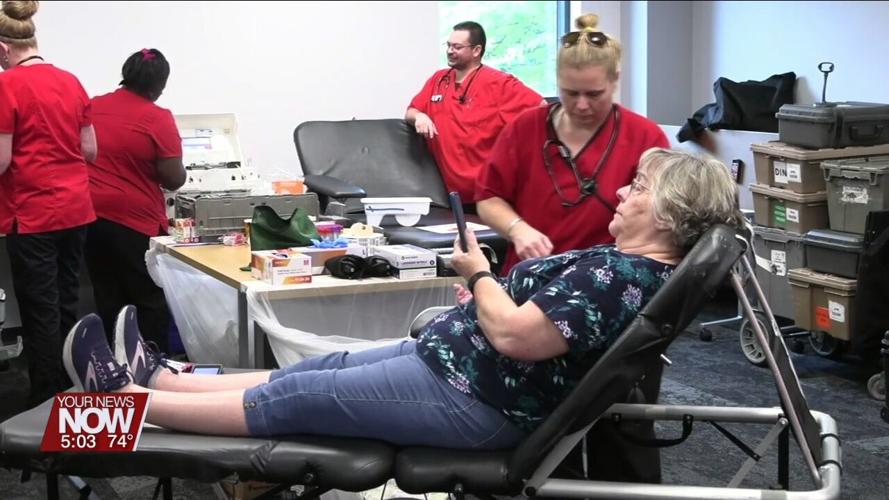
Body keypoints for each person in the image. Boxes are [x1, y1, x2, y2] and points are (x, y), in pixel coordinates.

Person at [62, 148, 743, 449]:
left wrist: (478, 278)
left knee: (289, 402)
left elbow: (517, 338)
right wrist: (483, 292)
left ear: (670, 213)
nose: (621, 194)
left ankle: (111, 412)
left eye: (638, 189)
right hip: (453, 368)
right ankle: (151, 378)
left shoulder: (620, 278)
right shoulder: (624, 267)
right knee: (306, 372)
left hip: (478, 399)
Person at [476, 13, 670, 273]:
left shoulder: (645, 137)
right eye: (570, 92)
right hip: (529, 275)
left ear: (615, 80)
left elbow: (659, 217)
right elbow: (488, 198)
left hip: (603, 280)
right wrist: (518, 229)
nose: (581, 105)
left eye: (594, 94)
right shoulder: (525, 128)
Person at [0, 0, 98, 408]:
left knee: (40, 311)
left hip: (32, 215)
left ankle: (46, 405)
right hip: (75, 210)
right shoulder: (71, 81)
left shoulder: (6, 86)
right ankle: (73, 389)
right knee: (65, 302)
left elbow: (1, 160)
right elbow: (90, 150)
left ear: (4, 49)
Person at [84, 48, 185, 352]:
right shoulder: (157, 118)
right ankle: (151, 367)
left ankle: (114, 367)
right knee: (148, 298)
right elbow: (173, 178)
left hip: (89, 216)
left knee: (108, 293)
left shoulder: (93, 106)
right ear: (159, 86)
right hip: (133, 220)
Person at [405, 21, 544, 206]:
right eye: (448, 45)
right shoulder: (438, 80)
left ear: (476, 50)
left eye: (457, 47)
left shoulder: (499, 83)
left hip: (491, 195)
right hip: (453, 197)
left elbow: (541, 108)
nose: (449, 51)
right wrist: (420, 116)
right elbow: (411, 111)